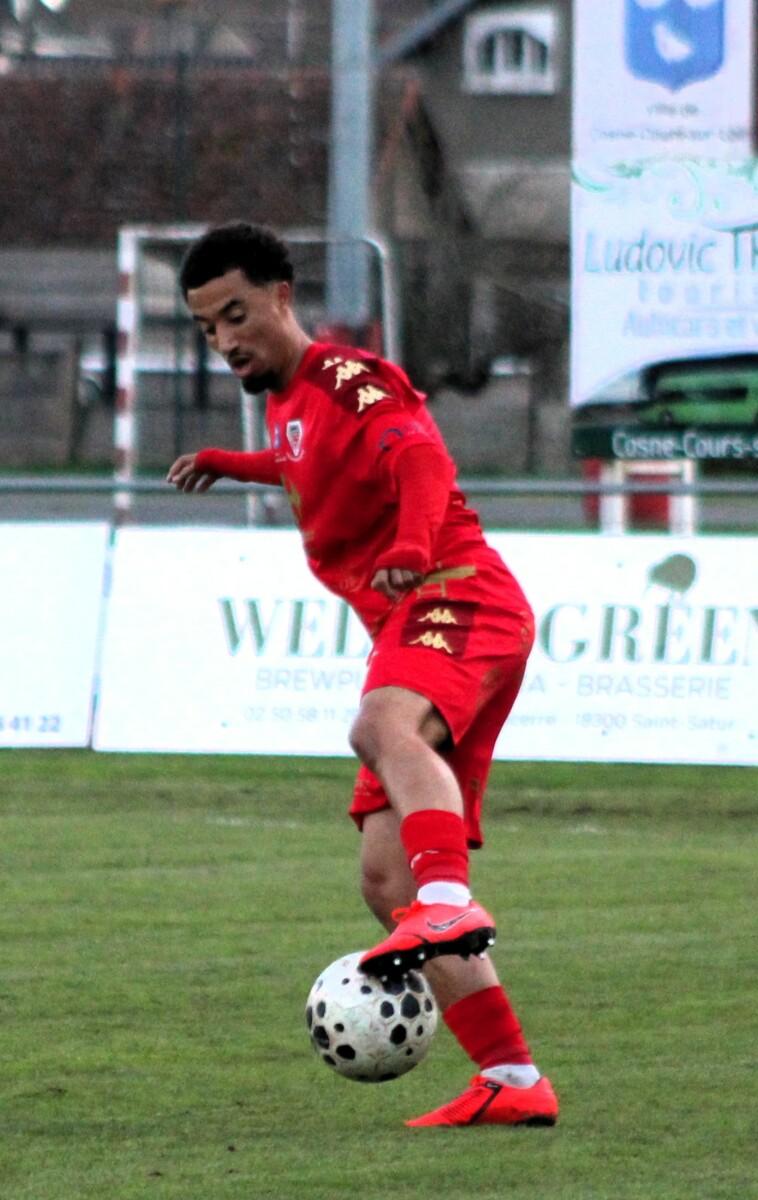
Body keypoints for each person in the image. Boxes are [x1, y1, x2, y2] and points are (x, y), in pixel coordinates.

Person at [167, 222, 558, 1128]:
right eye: (206, 328)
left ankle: (450, 903)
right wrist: (232, 465)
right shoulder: (289, 405)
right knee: (387, 881)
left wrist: (414, 542)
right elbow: (305, 462)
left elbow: (417, 456)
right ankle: (511, 1079)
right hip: (412, 619)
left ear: (281, 296)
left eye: (235, 315)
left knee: (381, 728)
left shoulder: (348, 375)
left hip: (455, 592)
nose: (224, 341)